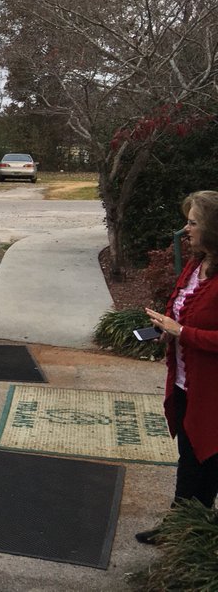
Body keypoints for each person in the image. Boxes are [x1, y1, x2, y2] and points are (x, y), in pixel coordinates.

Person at [137, 190, 218, 544]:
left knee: (208, 461)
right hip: (186, 383)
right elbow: (181, 311)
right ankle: (180, 527)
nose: (186, 229)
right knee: (189, 458)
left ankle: (194, 536)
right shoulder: (196, 264)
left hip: (213, 393)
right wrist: (166, 330)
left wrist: (181, 331)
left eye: (193, 222)